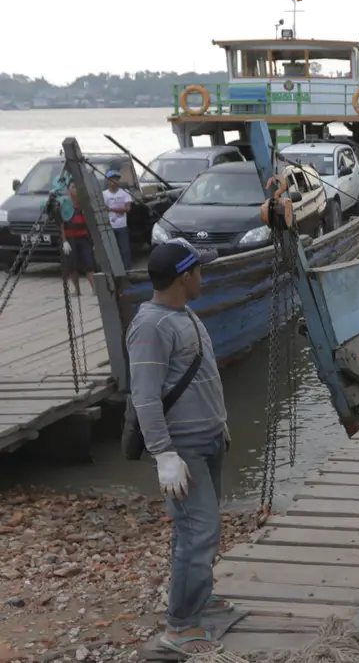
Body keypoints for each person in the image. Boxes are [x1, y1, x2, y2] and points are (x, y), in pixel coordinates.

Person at [127, 239, 231, 656]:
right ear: (185, 276)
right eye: (199, 270)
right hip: (182, 451)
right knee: (200, 529)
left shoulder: (181, 313)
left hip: (208, 441)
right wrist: (163, 454)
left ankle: (198, 597)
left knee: (195, 531)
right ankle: (180, 626)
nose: (203, 276)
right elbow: (145, 397)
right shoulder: (151, 326)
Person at [59, 181, 95, 296]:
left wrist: (93, 240)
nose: (75, 190)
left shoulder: (84, 204)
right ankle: (77, 289)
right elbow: (61, 224)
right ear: (69, 190)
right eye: (73, 187)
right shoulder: (65, 205)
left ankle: (94, 289)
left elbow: (90, 222)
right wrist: (64, 241)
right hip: (70, 239)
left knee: (89, 264)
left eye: (76, 187)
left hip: (83, 237)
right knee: (72, 266)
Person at [102, 170, 134, 270]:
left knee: (125, 250)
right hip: (109, 226)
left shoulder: (125, 193)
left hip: (122, 226)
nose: (114, 181)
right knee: (112, 250)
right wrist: (120, 209)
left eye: (116, 179)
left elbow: (127, 209)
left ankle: (127, 270)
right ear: (108, 181)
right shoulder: (104, 194)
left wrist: (111, 209)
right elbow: (102, 209)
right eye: (112, 179)